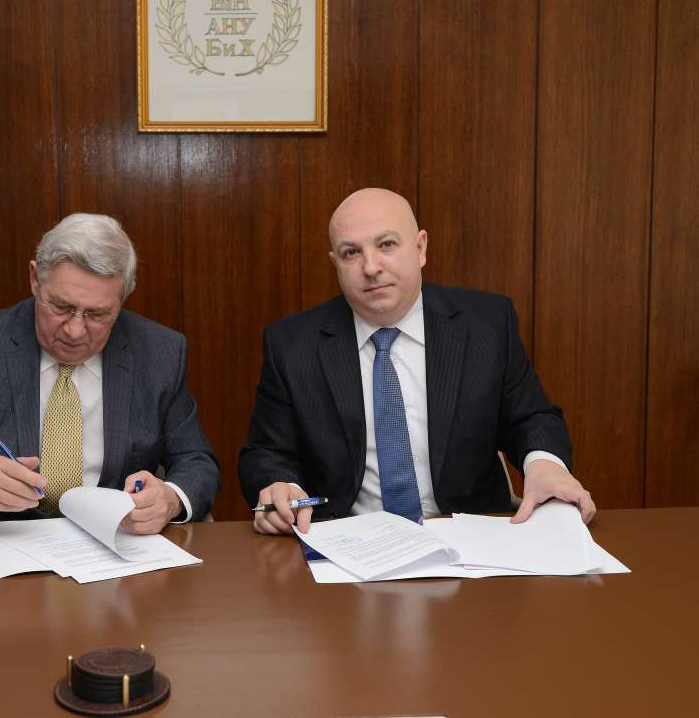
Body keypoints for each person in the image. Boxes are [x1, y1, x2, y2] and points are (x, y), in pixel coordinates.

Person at [240, 188, 595, 535]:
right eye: (351, 253)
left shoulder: (486, 324)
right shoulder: (292, 344)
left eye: (386, 245)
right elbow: (267, 451)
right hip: (349, 540)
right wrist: (280, 485)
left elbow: (531, 417)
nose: (371, 267)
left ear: (420, 248)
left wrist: (544, 464)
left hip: (470, 536)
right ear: (336, 263)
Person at [0, 213, 220, 533]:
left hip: (111, 548)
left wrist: (170, 499)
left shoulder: (160, 352)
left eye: (97, 315)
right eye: (61, 307)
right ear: (35, 279)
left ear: (122, 299)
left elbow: (196, 461)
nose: (75, 330)